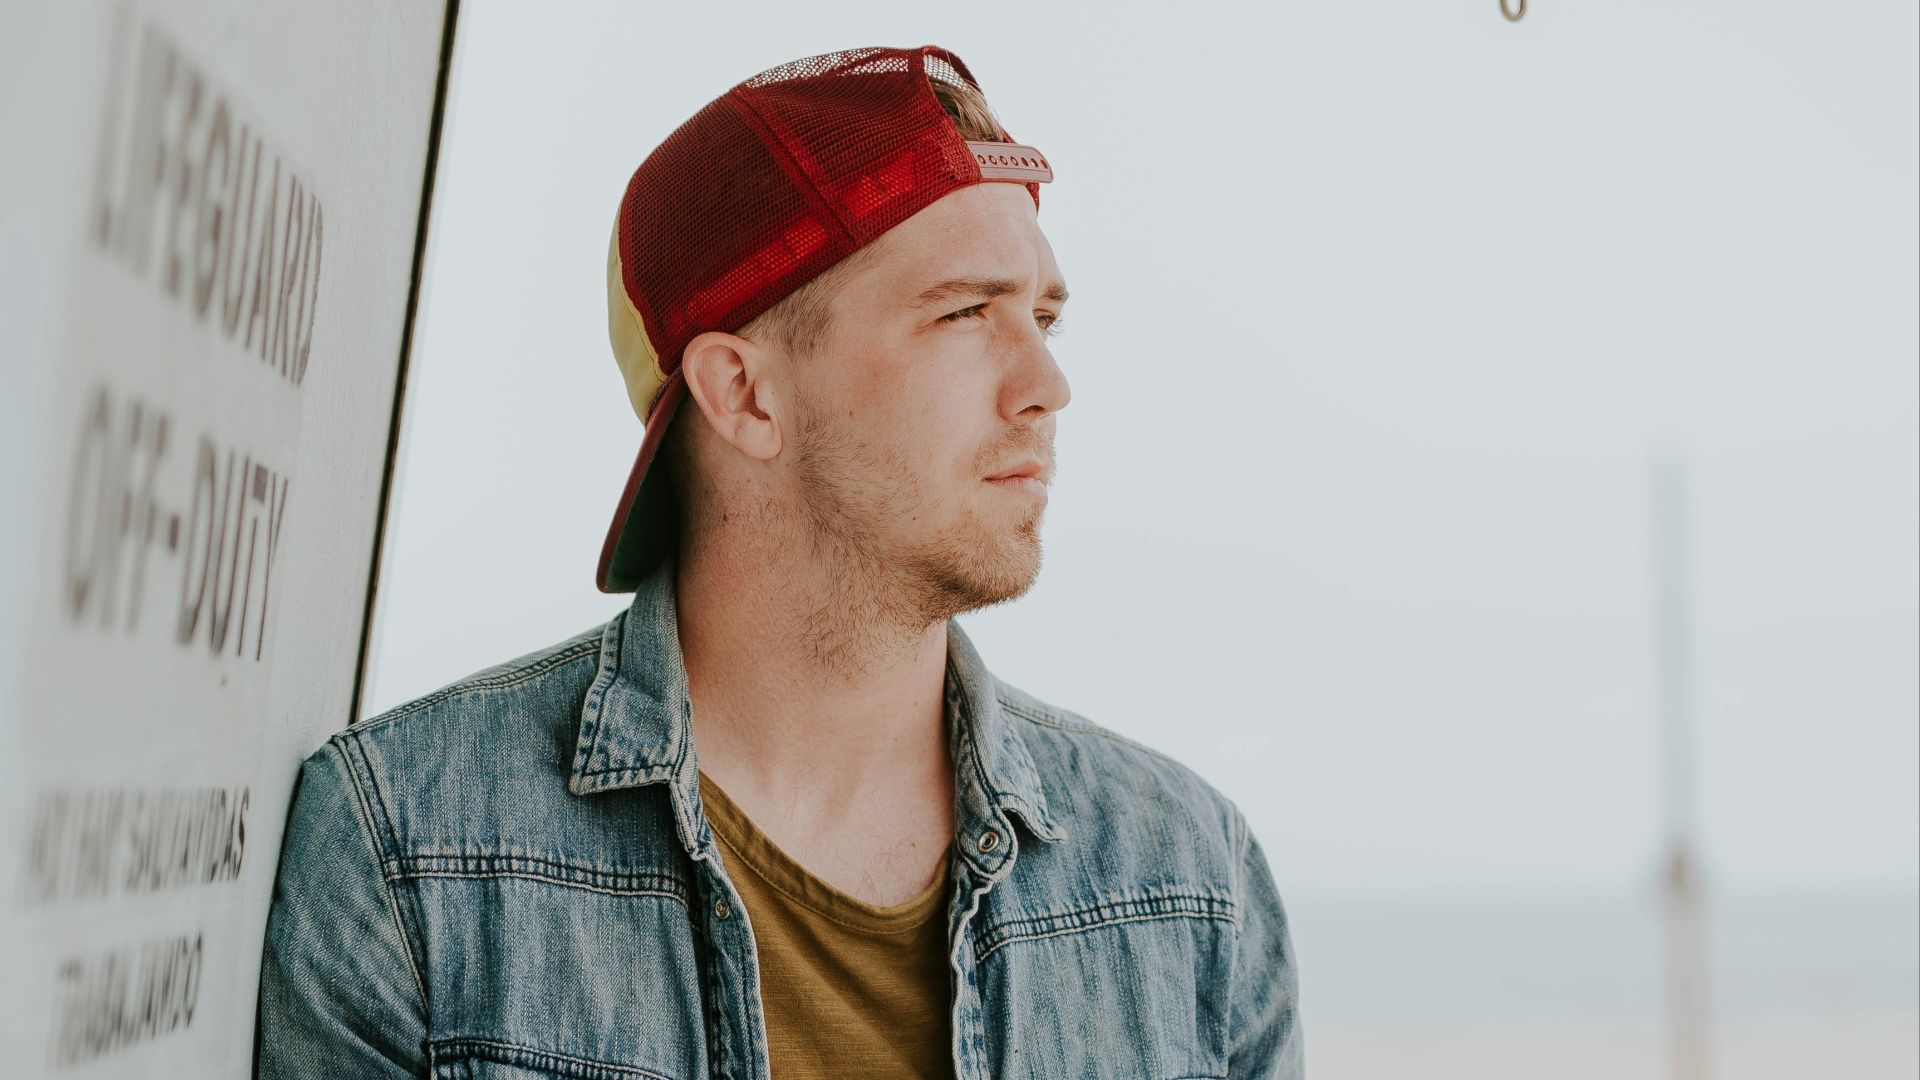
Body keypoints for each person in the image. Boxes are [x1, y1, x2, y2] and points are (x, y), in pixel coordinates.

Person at [255, 44, 1302, 1080]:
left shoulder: (1191, 879)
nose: (1046, 384)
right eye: (965, 313)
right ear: (746, 396)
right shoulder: (407, 855)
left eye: (1042, 317)